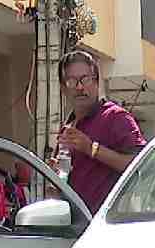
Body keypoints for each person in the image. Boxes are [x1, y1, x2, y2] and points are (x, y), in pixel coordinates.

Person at [54, 49, 147, 213]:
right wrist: (54, 175)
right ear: (63, 88)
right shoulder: (67, 128)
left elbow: (142, 165)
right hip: (74, 225)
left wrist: (91, 148)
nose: (80, 87)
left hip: (110, 226)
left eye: (85, 79)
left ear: (97, 82)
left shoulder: (116, 117)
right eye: (71, 81)